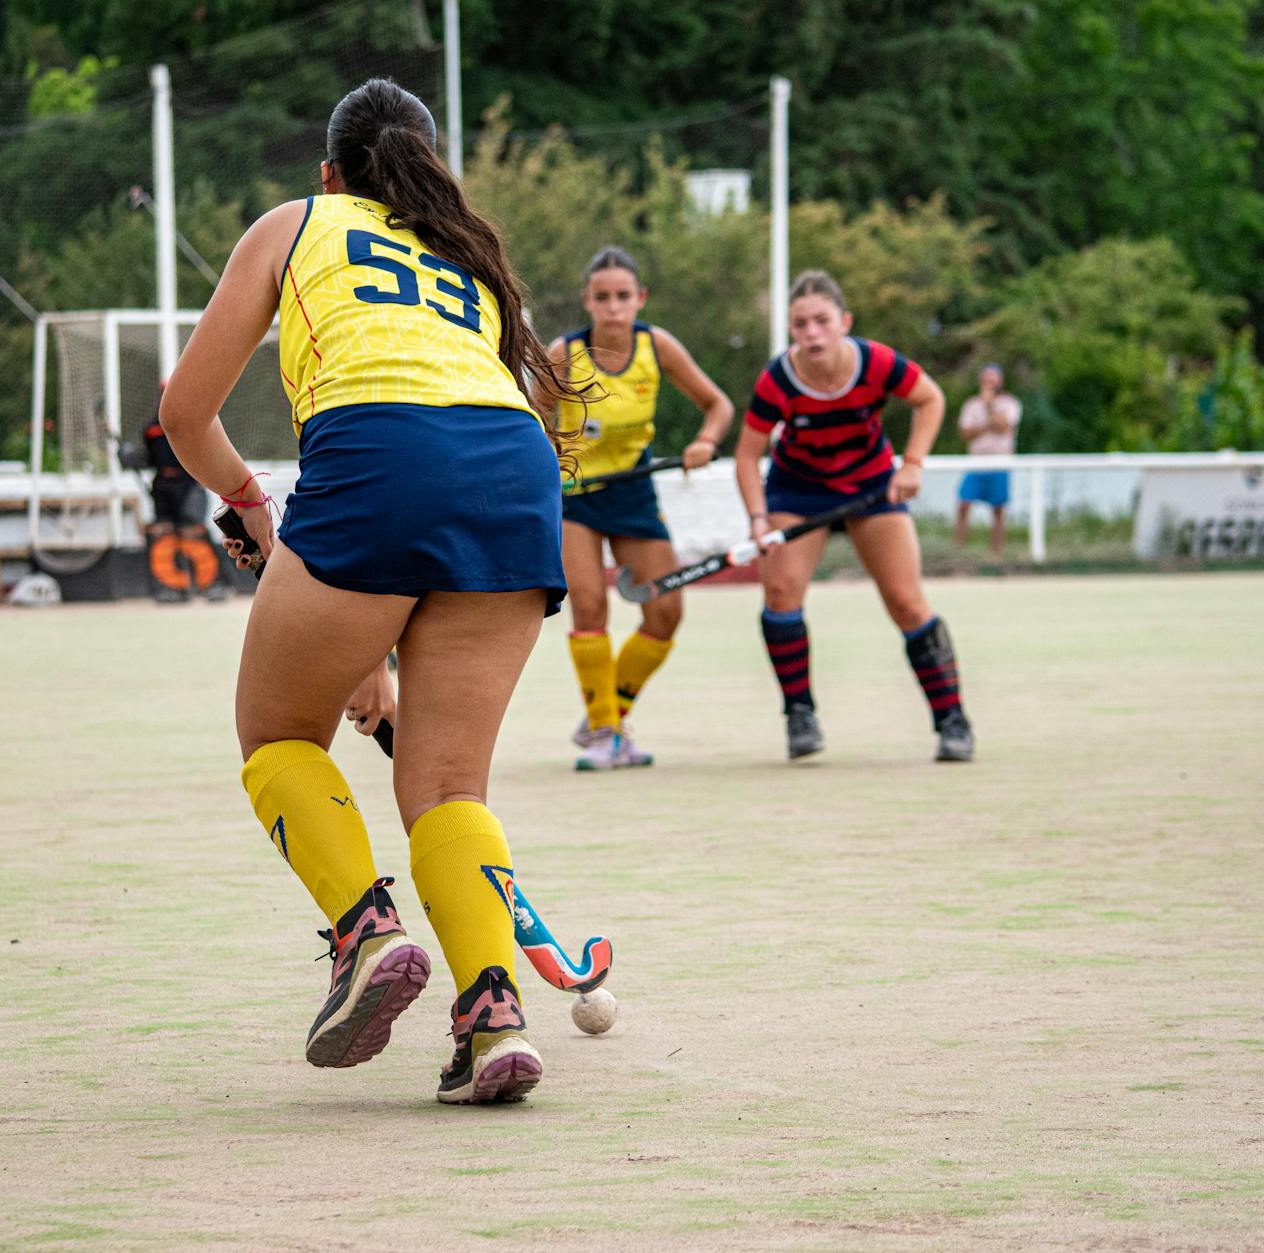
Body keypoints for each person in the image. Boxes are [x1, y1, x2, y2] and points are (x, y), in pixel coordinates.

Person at [159, 79, 586, 1105]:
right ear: (429, 165)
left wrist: (250, 505)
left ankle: (366, 931)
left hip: (375, 458)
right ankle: (493, 1020)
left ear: (329, 172)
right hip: (512, 473)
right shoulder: (467, 256)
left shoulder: (295, 224)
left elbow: (184, 413)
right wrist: (360, 654)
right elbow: (446, 455)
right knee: (448, 789)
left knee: (276, 736)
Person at [734, 269, 975, 763]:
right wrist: (758, 518)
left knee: (907, 602)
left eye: (822, 321)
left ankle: (953, 720)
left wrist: (912, 463)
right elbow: (746, 455)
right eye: (801, 324)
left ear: (844, 322)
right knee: (780, 594)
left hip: (870, 486)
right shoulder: (778, 380)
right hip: (798, 490)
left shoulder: (877, 362)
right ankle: (800, 715)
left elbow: (930, 399)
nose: (812, 333)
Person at [549, 246, 735, 771]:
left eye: (623, 296)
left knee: (665, 612)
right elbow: (531, 419)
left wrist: (705, 441)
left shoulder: (657, 346)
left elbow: (718, 405)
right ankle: (607, 734)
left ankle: (606, 712)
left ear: (641, 299)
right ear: (587, 300)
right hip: (575, 496)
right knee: (590, 607)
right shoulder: (564, 353)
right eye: (602, 297)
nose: (613, 307)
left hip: (633, 494)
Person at [141, 388, 228, 603]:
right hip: (162, 485)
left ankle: (213, 583)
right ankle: (170, 586)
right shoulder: (151, 429)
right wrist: (131, 457)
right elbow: (149, 459)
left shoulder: (192, 424)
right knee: (164, 535)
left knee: (193, 533)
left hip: (188, 483)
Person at [954, 363, 1020, 560]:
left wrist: (989, 406)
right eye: (986, 380)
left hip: (1000, 462)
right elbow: (966, 433)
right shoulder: (971, 404)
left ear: (1000, 382)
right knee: (964, 504)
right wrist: (987, 424)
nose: (989, 384)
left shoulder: (1010, 403)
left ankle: (995, 555)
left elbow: (1003, 426)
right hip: (976, 462)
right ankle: (959, 552)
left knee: (998, 509)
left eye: (993, 380)